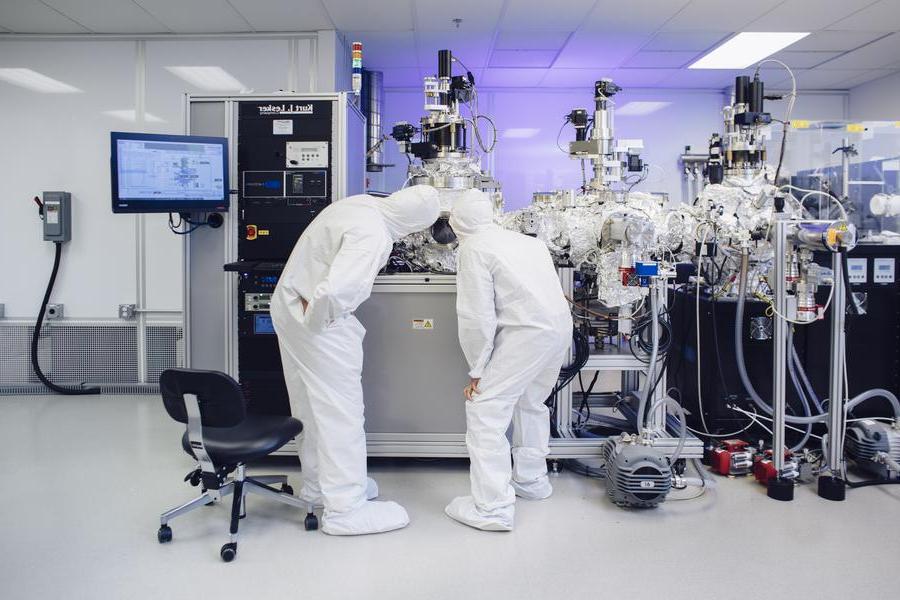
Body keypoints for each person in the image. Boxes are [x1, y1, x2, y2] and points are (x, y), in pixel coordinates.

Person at [270, 185, 441, 535]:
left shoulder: (360, 205)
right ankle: (346, 509)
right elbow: (335, 291)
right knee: (341, 411)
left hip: (288, 303)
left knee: (310, 404)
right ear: (414, 228)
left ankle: (320, 487)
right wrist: (319, 323)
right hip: (314, 316)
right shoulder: (374, 235)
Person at [445, 189, 573, 531]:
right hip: (558, 327)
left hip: (527, 335)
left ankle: (492, 508)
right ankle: (532, 482)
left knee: (485, 410)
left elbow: (476, 317)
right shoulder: (528, 242)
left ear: (456, 223)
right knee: (532, 402)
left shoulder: (473, 248)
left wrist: (478, 370)